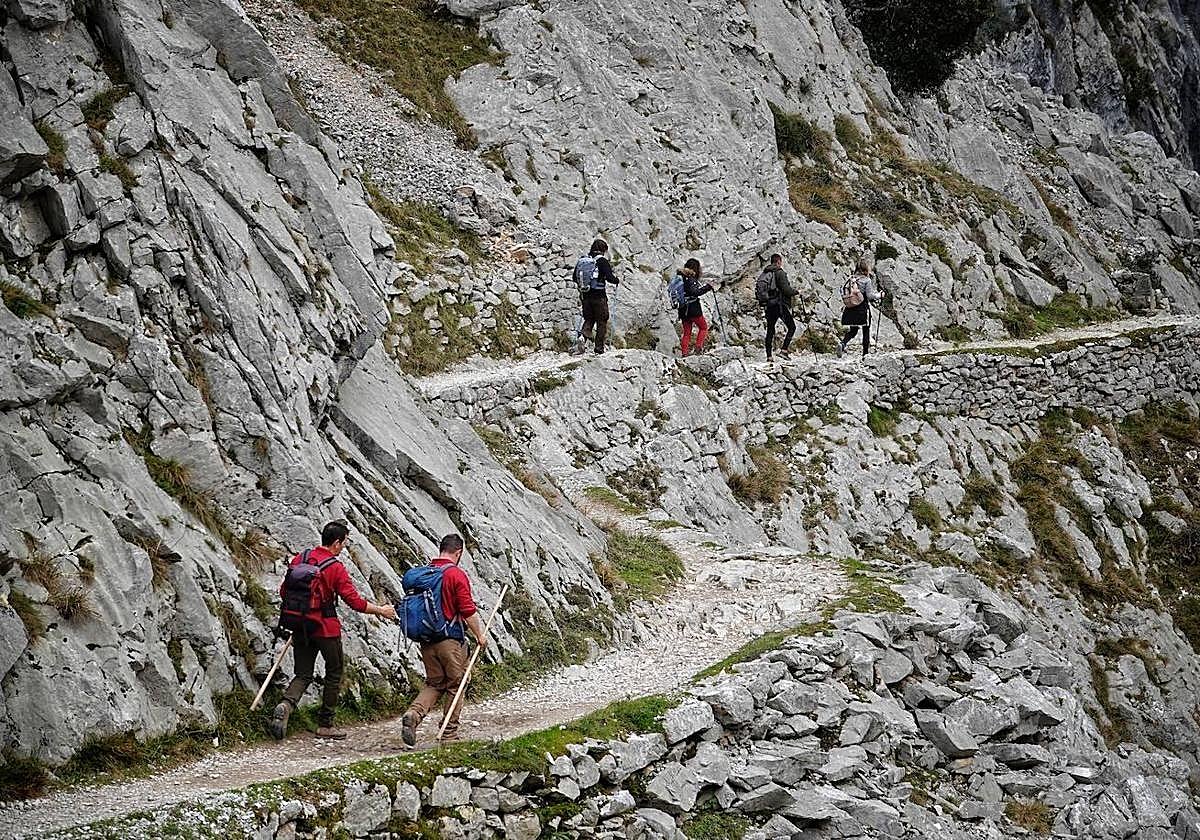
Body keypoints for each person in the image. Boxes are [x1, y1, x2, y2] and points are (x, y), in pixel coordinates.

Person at [270, 521, 397, 740]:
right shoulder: (335, 567)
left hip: (299, 625)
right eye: (344, 542)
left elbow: (284, 591)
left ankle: (286, 705)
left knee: (303, 674)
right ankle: (325, 724)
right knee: (334, 671)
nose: (344, 547)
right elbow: (355, 603)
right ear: (337, 543)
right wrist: (381, 610)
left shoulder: (302, 558)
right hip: (325, 629)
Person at [400, 534, 488, 747]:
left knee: (435, 683)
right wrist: (480, 636)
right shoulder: (455, 575)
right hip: (449, 641)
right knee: (457, 684)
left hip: (426, 640)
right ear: (458, 553)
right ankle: (449, 734)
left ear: (441, 549)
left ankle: (414, 713)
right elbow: (468, 610)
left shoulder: (425, 574)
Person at [572, 238, 619, 355]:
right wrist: (616, 280)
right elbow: (609, 277)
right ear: (603, 250)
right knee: (602, 320)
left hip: (585, 296)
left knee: (589, 319)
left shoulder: (584, 260)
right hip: (599, 297)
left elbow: (574, 277)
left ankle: (582, 337)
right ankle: (599, 348)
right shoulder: (602, 261)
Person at [837, 258, 884, 358]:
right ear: (865, 270)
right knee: (866, 330)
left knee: (853, 331)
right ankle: (865, 354)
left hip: (850, 309)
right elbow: (870, 296)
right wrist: (880, 295)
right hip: (862, 309)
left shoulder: (851, 279)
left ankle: (843, 343)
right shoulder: (866, 280)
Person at [758, 253, 796, 360]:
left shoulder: (765, 273)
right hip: (779, 305)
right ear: (779, 261)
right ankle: (784, 350)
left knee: (770, 330)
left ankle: (769, 356)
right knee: (792, 327)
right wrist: (797, 292)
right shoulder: (779, 273)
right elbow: (786, 290)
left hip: (769, 306)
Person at [676, 258, 714, 356]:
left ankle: (684, 353)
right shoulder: (690, 278)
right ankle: (698, 348)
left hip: (682, 308)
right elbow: (695, 292)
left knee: (687, 333)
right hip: (693, 308)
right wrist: (708, 287)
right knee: (703, 327)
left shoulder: (680, 277)